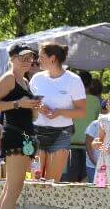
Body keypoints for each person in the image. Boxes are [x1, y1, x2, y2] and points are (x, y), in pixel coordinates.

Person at [0, 43, 41, 209]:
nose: (27, 61)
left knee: (11, 188)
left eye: (30, 58)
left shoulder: (25, 81)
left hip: (24, 136)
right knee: (14, 188)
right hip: (14, 136)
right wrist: (19, 103)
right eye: (22, 57)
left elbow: (28, 115)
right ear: (12, 58)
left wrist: (34, 107)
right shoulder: (9, 78)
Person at [30, 41, 87, 181]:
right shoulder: (37, 79)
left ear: (53, 58)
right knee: (33, 179)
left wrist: (60, 112)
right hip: (36, 132)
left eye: (41, 57)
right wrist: (37, 107)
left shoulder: (74, 80)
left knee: (52, 182)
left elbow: (81, 112)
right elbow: (29, 104)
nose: (37, 61)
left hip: (61, 134)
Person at [63, 71, 101, 182]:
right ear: (90, 85)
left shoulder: (69, 99)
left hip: (70, 146)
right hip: (88, 148)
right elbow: (97, 124)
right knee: (86, 183)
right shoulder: (95, 101)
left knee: (69, 183)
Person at [83, 117, 100, 183]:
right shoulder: (95, 124)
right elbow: (88, 143)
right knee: (97, 190)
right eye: (103, 108)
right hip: (94, 167)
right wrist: (95, 162)